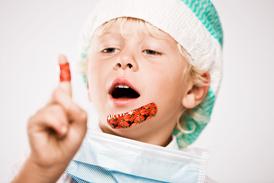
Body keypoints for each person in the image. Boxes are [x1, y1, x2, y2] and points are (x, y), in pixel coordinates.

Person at [12, 0, 223, 182]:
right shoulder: (46, 169)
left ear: (194, 90)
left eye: (150, 51)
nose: (124, 60)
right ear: (89, 83)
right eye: (109, 49)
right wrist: (41, 171)